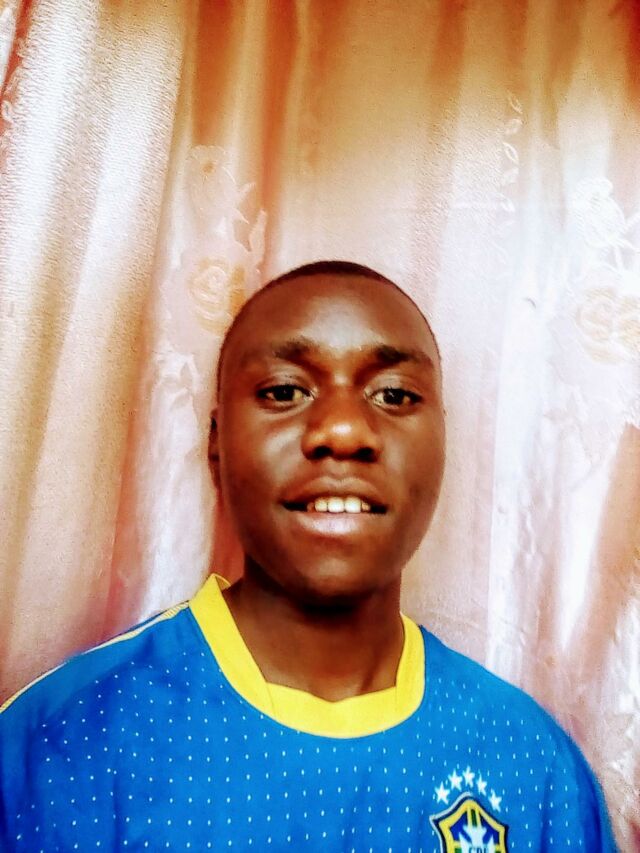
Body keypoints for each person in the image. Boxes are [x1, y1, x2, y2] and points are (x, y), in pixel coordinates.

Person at [0, 261, 617, 851]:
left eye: (394, 395)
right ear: (217, 446)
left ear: (443, 442)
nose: (343, 431)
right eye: (284, 391)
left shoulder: (532, 763)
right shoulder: (59, 741)